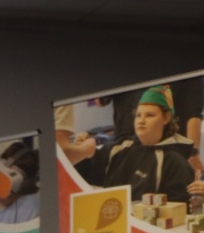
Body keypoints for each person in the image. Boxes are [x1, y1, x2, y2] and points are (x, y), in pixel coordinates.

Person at [67, 86, 195, 203]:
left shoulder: (175, 162)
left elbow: (180, 208)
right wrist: (81, 153)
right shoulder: (119, 148)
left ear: (166, 118)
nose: (141, 121)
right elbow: (81, 177)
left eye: (149, 115)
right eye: (138, 115)